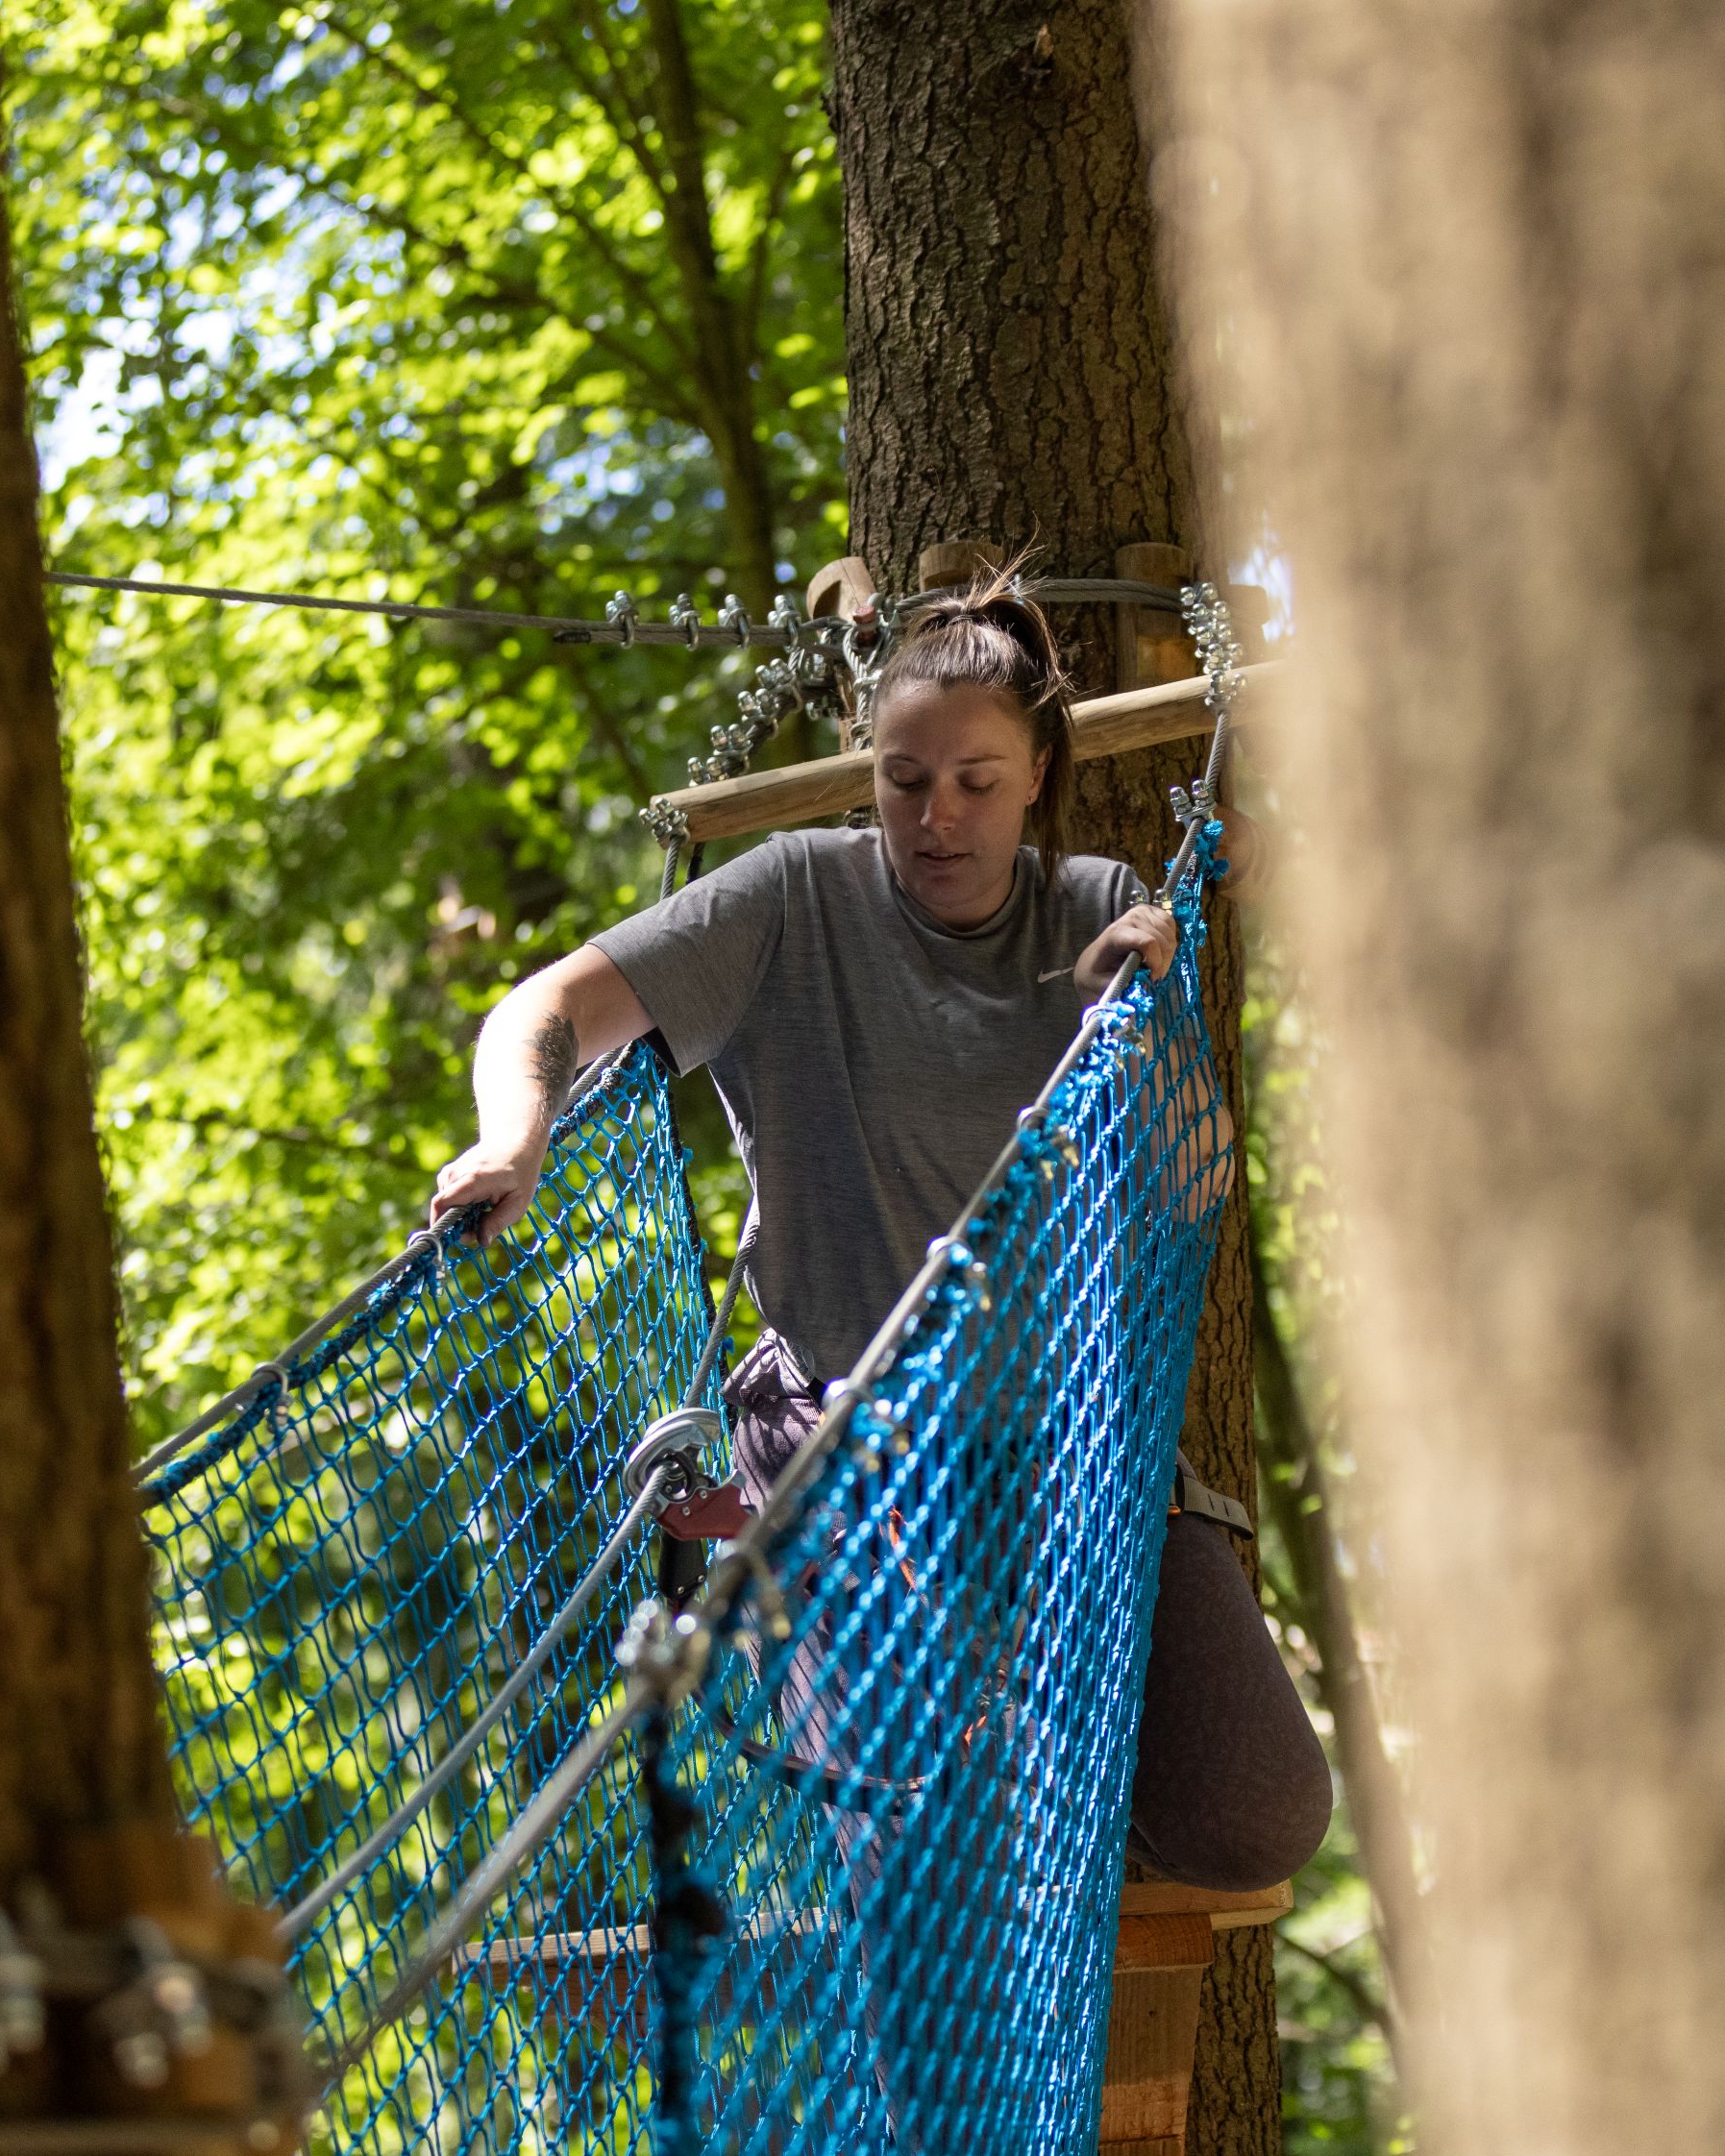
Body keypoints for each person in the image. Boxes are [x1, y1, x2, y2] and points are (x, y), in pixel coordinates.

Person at [426, 573, 1327, 1894]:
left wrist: (1154, 1026)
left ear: (1035, 777)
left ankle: (1047, 1843)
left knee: (1256, 1813)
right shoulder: (793, 902)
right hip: (849, 1461)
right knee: (924, 1868)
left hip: (1069, 1455)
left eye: (975, 778)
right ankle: (960, 1836)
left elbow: (1193, 1189)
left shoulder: (1100, 908)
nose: (936, 814)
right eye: (905, 777)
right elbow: (545, 1009)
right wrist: (516, 1137)